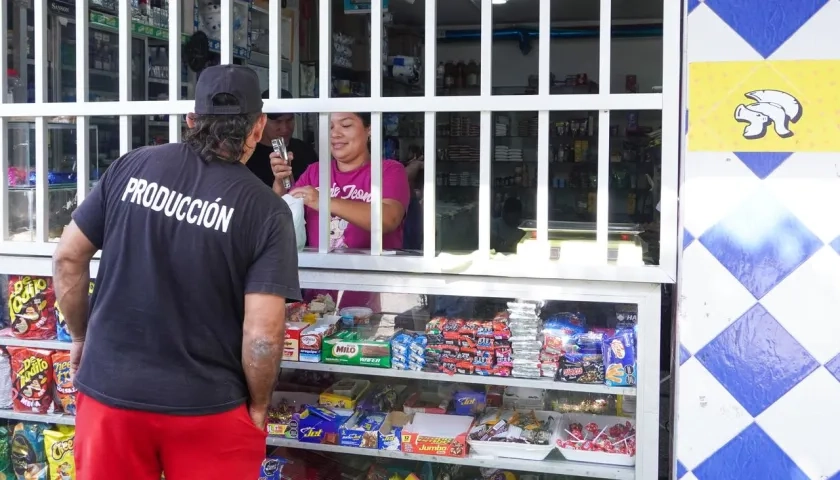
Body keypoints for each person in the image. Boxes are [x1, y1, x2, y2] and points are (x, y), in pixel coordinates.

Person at [51, 65, 301, 480]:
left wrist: (80, 336)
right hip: (209, 408)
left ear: (191, 121)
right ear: (257, 129)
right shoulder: (266, 210)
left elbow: (67, 258)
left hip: (110, 397)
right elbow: (262, 334)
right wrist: (258, 406)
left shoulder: (130, 167)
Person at [271, 111, 410, 308]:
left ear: (369, 129)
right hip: (320, 300)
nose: (335, 134)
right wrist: (279, 183)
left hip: (375, 299)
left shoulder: (388, 170)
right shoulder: (315, 172)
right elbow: (277, 221)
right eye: (330, 127)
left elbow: (388, 219)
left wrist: (324, 201)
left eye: (345, 125)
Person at [246, 88, 318, 187]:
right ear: (262, 120)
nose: (285, 129)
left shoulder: (305, 150)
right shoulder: (248, 155)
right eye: (278, 122)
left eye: (289, 120)